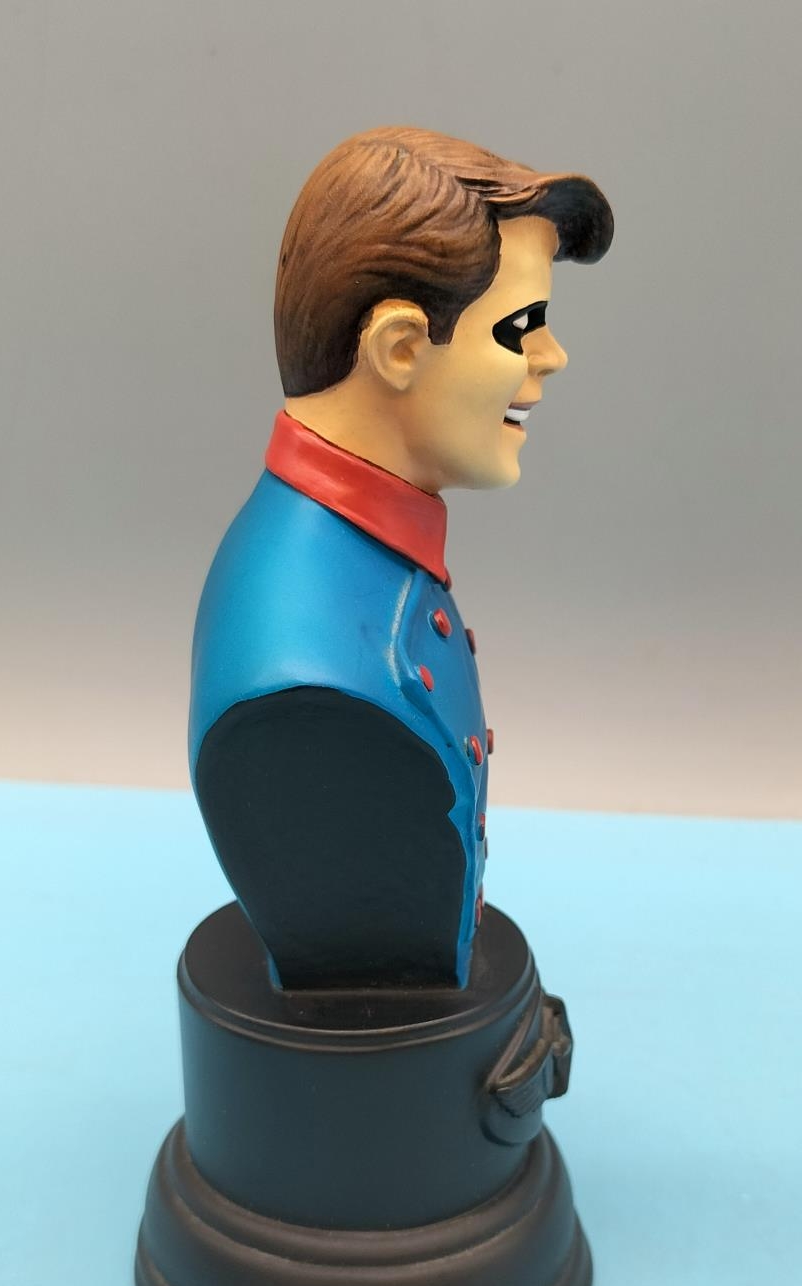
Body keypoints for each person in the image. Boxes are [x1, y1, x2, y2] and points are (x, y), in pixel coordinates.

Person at [190, 127, 613, 989]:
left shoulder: (320, 547)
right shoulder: (313, 694)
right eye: (520, 327)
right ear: (399, 349)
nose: (551, 357)